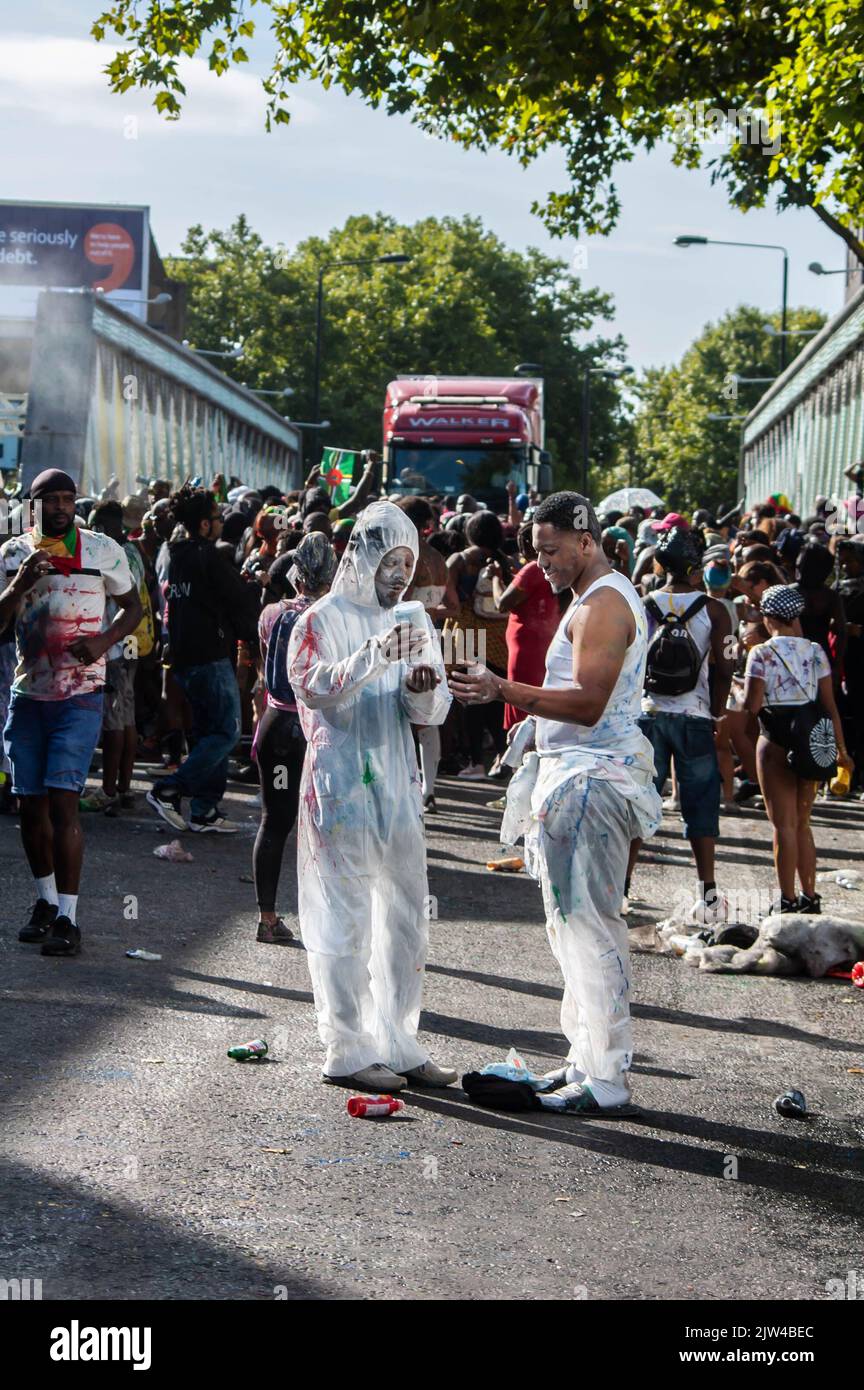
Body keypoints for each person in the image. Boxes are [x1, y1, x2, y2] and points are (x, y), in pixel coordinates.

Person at [451, 491, 662, 1114]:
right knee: (569, 928)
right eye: (535, 552)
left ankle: (607, 1078)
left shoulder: (602, 606)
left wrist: (500, 687)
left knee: (591, 927)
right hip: (579, 778)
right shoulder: (592, 600)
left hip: (596, 783)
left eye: (551, 550)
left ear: (586, 540)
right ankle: (586, 1059)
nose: (541, 563)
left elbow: (589, 703)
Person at [287, 500, 456, 1092]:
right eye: (389, 560)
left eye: (407, 565)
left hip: (397, 785)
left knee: (406, 915)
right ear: (361, 555)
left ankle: (397, 1040)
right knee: (344, 916)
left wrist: (421, 688)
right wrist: (376, 656)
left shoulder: (413, 617)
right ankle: (347, 1047)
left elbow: (431, 710)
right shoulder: (319, 619)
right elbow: (314, 689)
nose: (398, 576)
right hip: (339, 788)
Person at [0, 469, 141, 956]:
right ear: (32, 506)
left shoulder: (102, 550)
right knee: (30, 807)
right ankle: (43, 902)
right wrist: (19, 585)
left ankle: (68, 917)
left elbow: (133, 608)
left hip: (81, 696)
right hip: (29, 695)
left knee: (63, 803)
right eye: (50, 500)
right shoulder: (14, 554)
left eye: (68, 498)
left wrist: (102, 641)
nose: (61, 507)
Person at [630, 528, 734, 922]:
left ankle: (622, 890)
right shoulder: (716, 611)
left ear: (659, 565)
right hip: (695, 717)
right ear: (697, 568)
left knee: (639, 803)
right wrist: (717, 714)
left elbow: (631, 659)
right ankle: (708, 895)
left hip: (648, 715)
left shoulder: (643, 605)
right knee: (701, 806)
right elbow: (726, 666)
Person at [146, 484, 260, 834]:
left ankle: (204, 810)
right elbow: (239, 600)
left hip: (184, 656)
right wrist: (257, 585)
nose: (221, 524)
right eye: (215, 519)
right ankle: (170, 789)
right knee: (226, 733)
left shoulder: (174, 554)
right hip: (209, 656)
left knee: (208, 732)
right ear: (205, 524)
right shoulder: (208, 556)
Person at [744, 585, 851, 913]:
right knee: (803, 823)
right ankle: (810, 897)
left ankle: (787, 899)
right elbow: (830, 705)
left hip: (775, 743)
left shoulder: (760, 653)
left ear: (767, 616)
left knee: (783, 826)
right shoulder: (816, 651)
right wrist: (840, 749)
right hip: (811, 743)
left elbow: (751, 705)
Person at [253, 535, 337, 945]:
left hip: (273, 724)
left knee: (274, 821)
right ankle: (324, 921)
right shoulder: (332, 616)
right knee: (322, 824)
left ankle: (267, 918)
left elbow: (266, 659)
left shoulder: (271, 613)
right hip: (312, 729)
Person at [79, 501, 150, 814]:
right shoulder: (135, 552)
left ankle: (108, 790)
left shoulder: (112, 553)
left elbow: (113, 595)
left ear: (104, 525)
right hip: (132, 642)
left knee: (114, 718)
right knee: (127, 714)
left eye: (95, 526)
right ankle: (124, 786)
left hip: (114, 645)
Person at [395, 496, 459, 812]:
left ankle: (405, 785)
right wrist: (429, 609)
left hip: (405, 641)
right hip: (430, 639)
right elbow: (455, 607)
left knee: (400, 715)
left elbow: (398, 604)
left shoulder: (408, 559)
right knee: (428, 714)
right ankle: (428, 789)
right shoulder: (439, 560)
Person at [445, 510, 511, 779]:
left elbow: (449, 601)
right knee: (496, 700)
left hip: (466, 635)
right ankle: (503, 756)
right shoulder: (504, 560)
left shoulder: (459, 560)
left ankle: (476, 763)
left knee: (469, 702)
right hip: (499, 637)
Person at [492, 521, 562, 734]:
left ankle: (520, 754)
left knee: (522, 698)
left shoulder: (533, 569)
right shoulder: (555, 566)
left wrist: (495, 578)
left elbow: (502, 603)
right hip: (543, 641)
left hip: (527, 647)